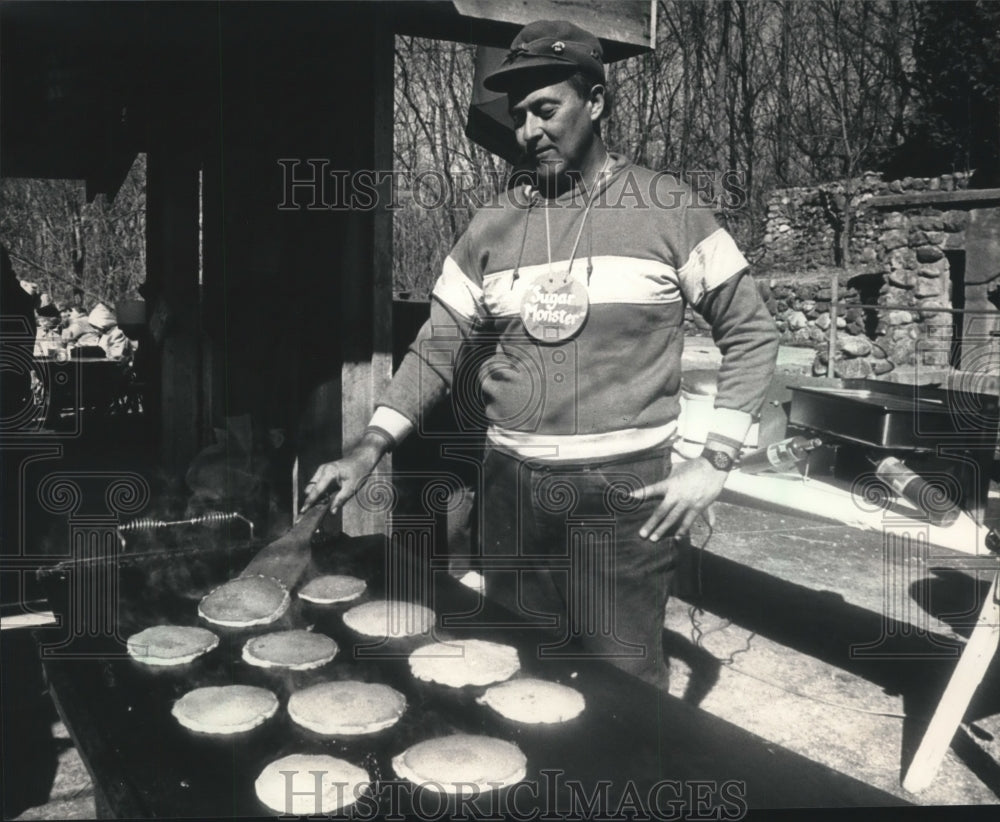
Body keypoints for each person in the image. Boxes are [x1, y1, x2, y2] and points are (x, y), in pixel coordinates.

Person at [304, 20, 779, 689]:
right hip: (510, 490)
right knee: (515, 667)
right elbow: (436, 345)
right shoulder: (491, 226)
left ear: (598, 101)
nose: (530, 132)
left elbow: (753, 332)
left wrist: (716, 461)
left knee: (624, 681)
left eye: (547, 109)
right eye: (519, 115)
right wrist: (369, 446)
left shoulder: (668, 208)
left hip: (621, 491)